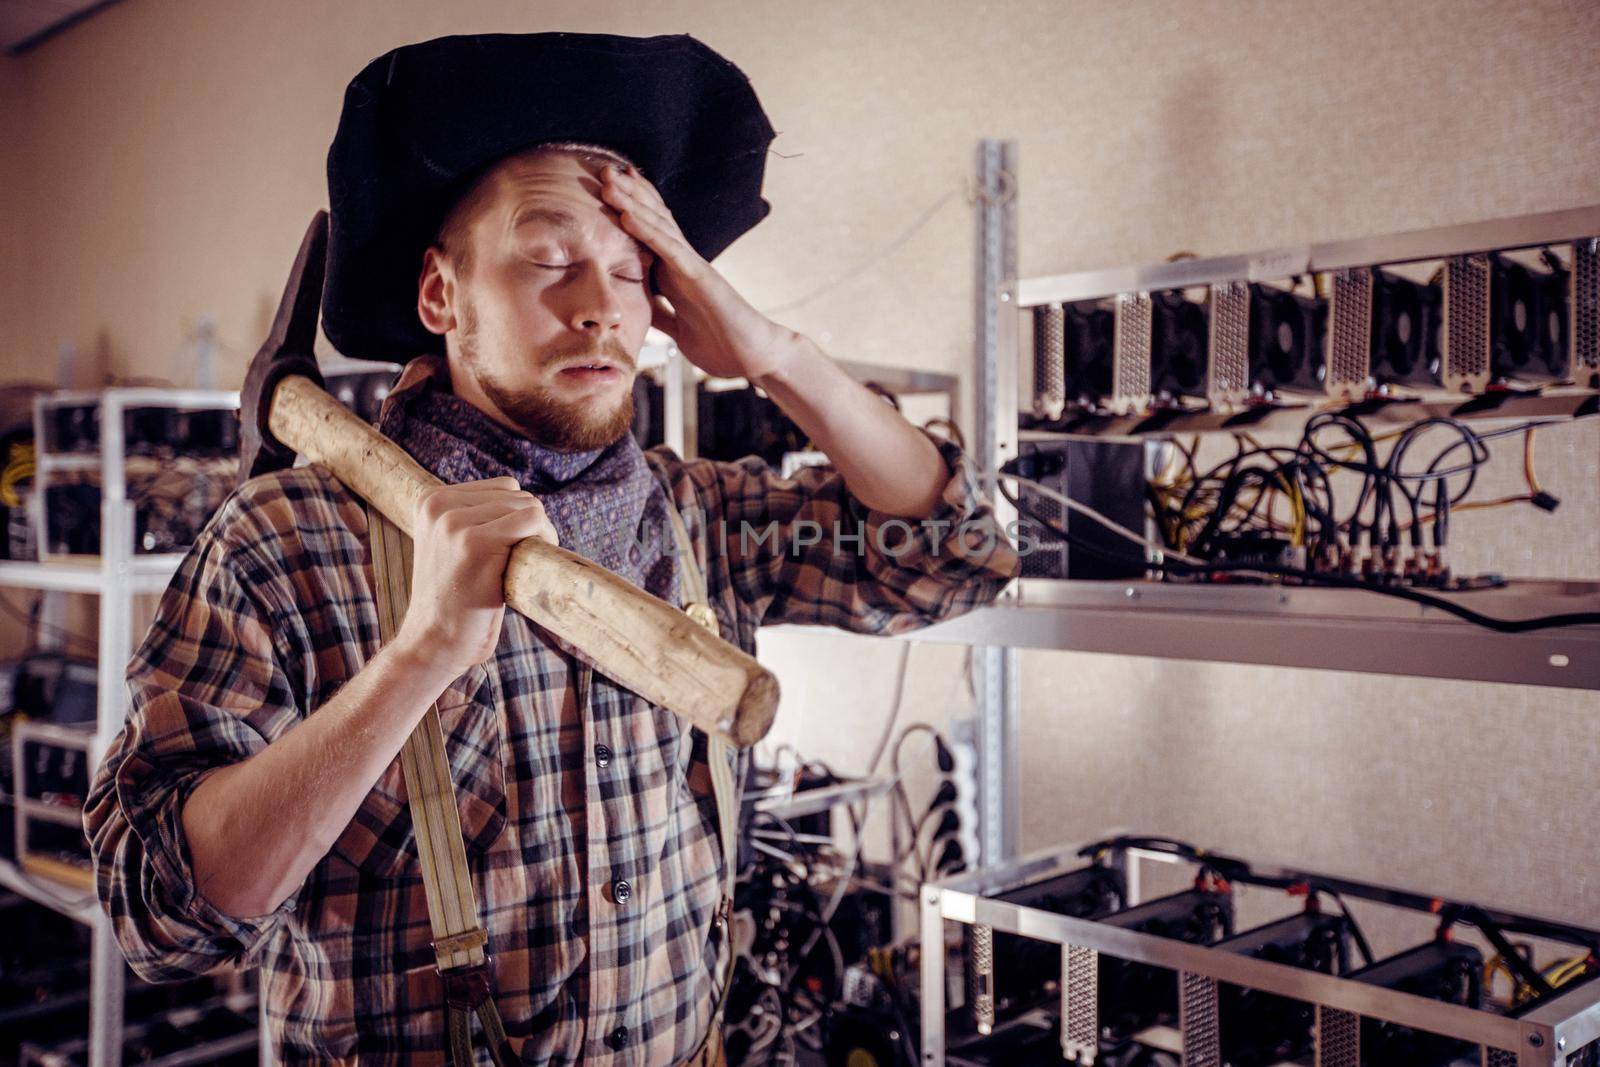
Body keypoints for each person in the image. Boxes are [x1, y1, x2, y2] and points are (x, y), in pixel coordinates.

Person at [84, 32, 1018, 1066]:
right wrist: (419, 655)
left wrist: (771, 353)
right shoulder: (282, 543)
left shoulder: (695, 514)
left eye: (633, 271)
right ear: (442, 297)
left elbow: (953, 550)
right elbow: (161, 915)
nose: (600, 306)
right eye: (548, 257)